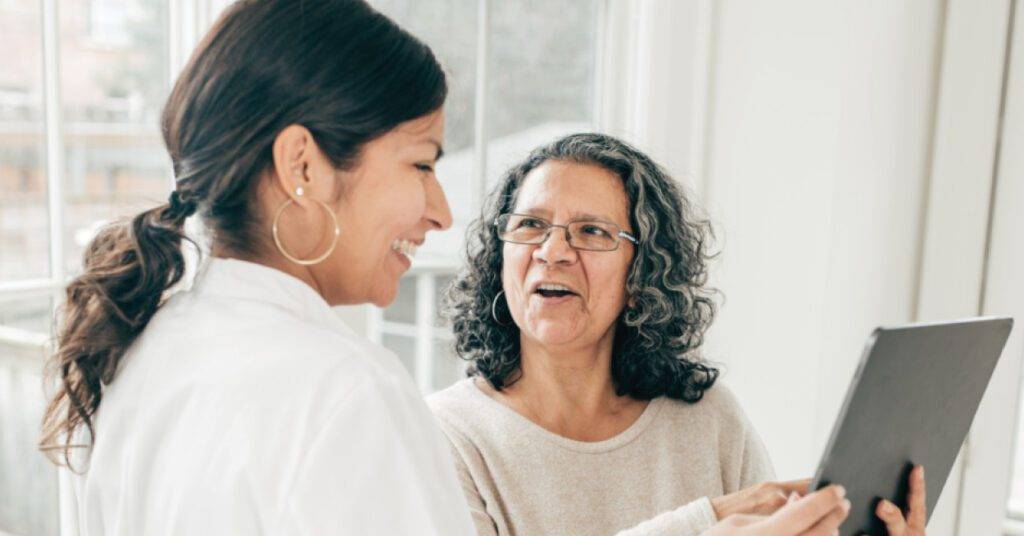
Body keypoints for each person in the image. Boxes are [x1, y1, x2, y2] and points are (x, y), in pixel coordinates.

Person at [39, 1, 472, 533]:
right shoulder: (348, 391)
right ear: (302, 166)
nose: (441, 213)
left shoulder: (135, 350)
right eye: (421, 164)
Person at [429, 133, 926, 535]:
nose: (552, 251)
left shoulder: (710, 420)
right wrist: (706, 522)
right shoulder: (447, 435)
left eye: (592, 232)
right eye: (531, 225)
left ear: (641, 274)